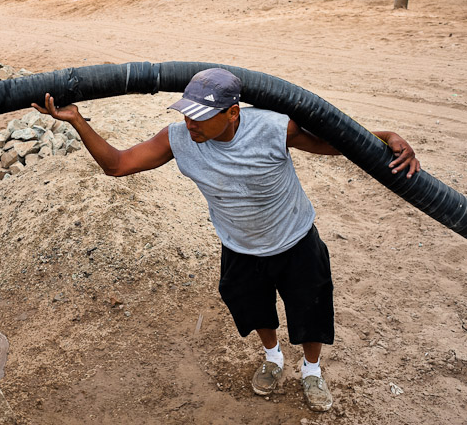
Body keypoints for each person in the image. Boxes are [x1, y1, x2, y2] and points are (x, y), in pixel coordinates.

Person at [33, 68, 420, 413]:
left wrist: (387, 137)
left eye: (201, 117)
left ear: (233, 113)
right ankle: (273, 358)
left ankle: (312, 370)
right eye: (186, 113)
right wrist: (77, 121)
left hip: (296, 240)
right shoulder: (178, 138)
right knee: (254, 309)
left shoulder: (272, 128)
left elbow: (338, 142)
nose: (190, 124)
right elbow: (117, 165)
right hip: (240, 246)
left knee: (310, 310)